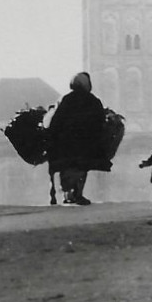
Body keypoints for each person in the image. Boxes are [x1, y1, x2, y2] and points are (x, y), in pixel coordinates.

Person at [45, 72, 110, 205]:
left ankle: (68, 194)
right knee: (82, 168)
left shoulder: (66, 99)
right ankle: (78, 194)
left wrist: (52, 137)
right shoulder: (93, 100)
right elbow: (100, 121)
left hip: (66, 143)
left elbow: (56, 120)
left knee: (67, 167)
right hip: (85, 142)